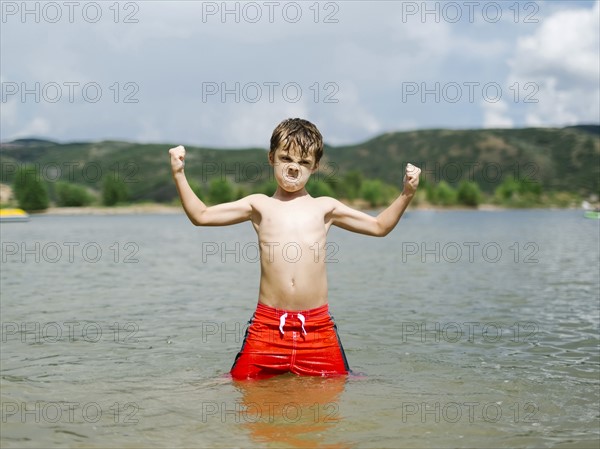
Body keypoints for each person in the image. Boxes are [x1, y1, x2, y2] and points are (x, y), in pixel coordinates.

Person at [168, 118, 421, 380]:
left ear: (315, 167)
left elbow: (379, 226)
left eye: (303, 163)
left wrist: (407, 194)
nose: (293, 168)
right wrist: (178, 173)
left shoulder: (325, 207)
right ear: (271, 158)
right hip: (267, 327)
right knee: (238, 385)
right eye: (286, 158)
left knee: (338, 391)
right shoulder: (259, 205)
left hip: (317, 328)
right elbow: (201, 215)